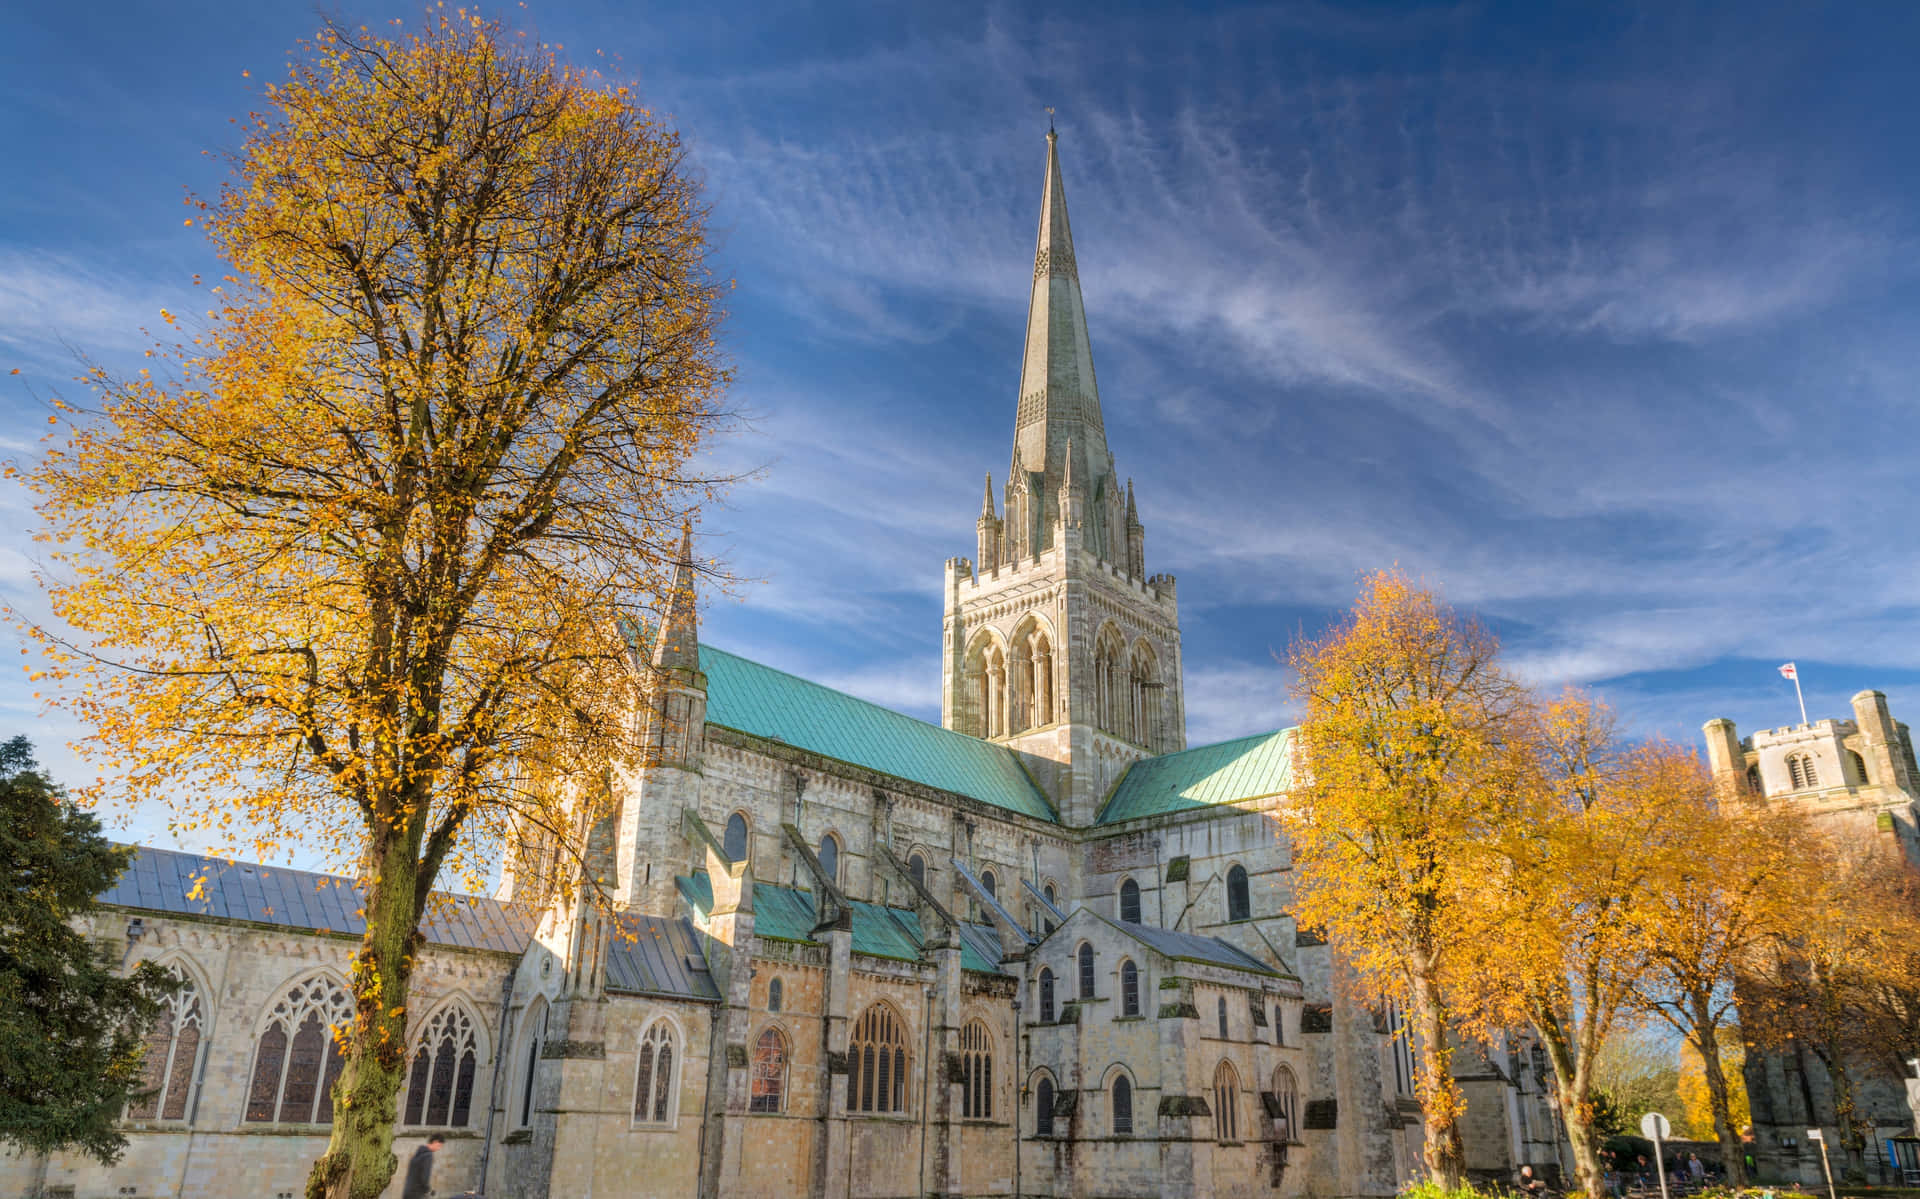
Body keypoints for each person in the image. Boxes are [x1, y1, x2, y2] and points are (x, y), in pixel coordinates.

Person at [403, 1133, 444, 1199]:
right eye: (439, 1146)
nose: (439, 1149)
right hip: (417, 1194)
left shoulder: (417, 1154)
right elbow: (424, 1178)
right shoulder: (428, 1156)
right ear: (435, 1142)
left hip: (407, 1192)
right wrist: (429, 1191)